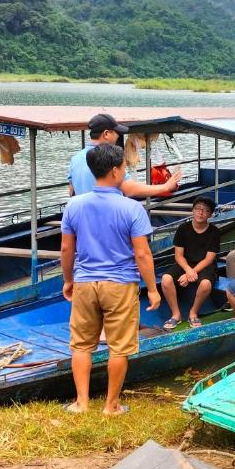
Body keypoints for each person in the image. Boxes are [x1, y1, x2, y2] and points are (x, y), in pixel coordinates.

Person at [60, 144, 160, 416]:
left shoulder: (74, 205)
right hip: (120, 284)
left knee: (81, 345)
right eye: (125, 168)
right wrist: (152, 288)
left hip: (84, 282)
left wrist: (68, 280)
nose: (125, 172)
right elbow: (142, 253)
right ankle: (111, 405)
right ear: (115, 171)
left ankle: (81, 403)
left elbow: (67, 249)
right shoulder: (131, 208)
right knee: (119, 347)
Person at [68, 113, 182, 198]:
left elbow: (71, 192)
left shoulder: (75, 159)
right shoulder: (110, 157)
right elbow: (129, 189)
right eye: (116, 133)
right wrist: (165, 187)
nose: (118, 137)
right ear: (106, 134)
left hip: (83, 221)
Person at [160, 196, 221, 330]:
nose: (200, 212)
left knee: (206, 284)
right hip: (185, 264)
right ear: (192, 211)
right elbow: (179, 255)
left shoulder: (214, 232)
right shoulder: (183, 228)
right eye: (198, 209)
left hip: (205, 265)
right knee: (166, 279)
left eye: (205, 210)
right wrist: (188, 270)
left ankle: (193, 312)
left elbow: (209, 259)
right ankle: (176, 314)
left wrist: (191, 273)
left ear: (210, 214)